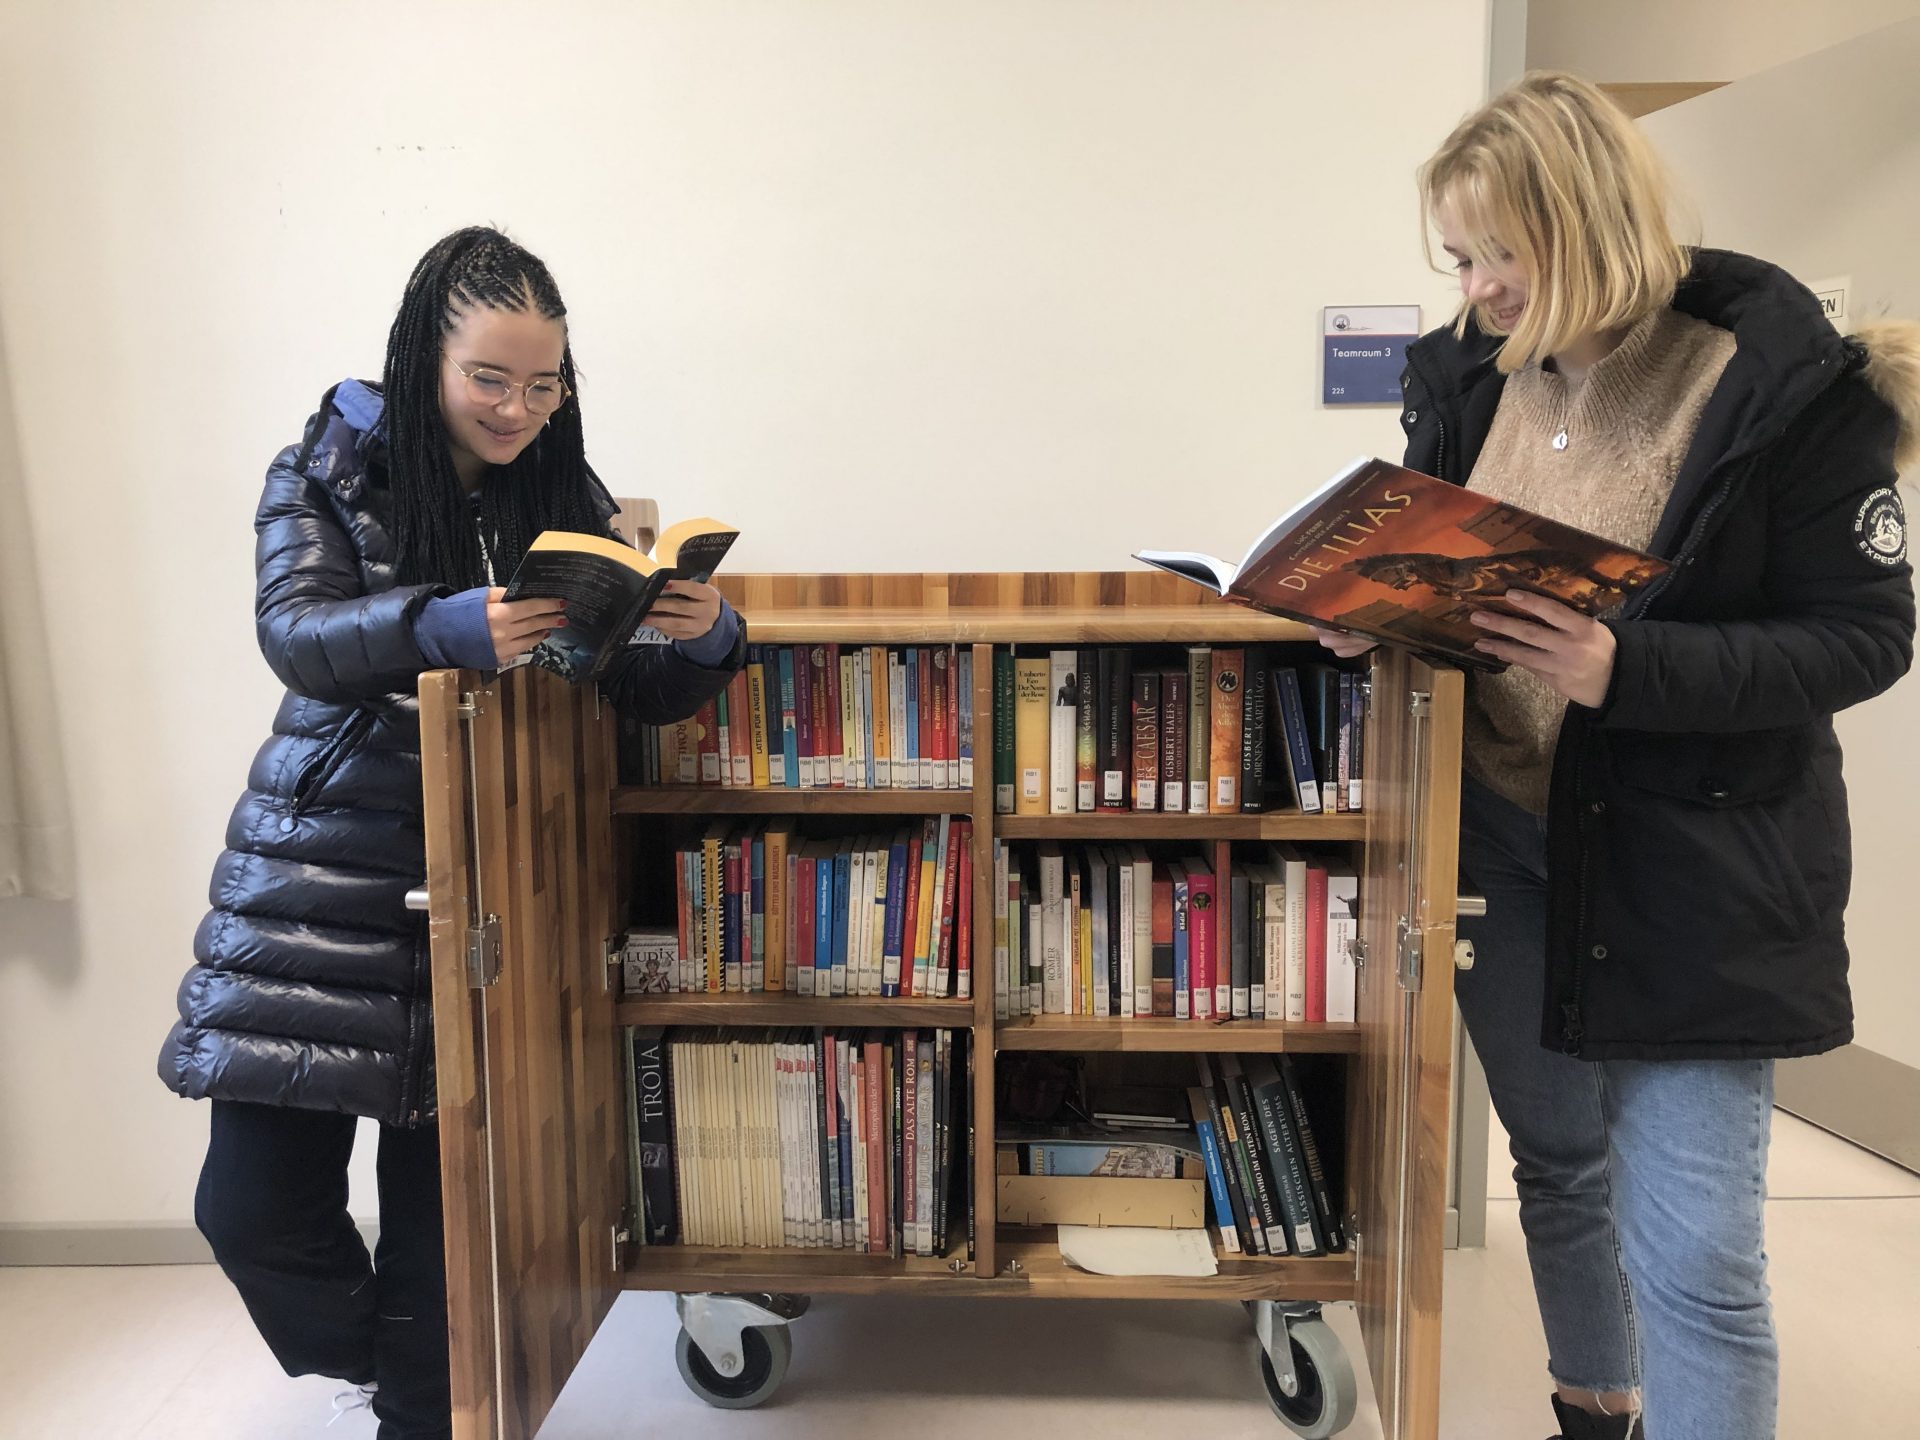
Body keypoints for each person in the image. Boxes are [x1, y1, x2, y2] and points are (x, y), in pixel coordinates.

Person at [1317, 73, 1916, 1440]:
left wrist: (1623, 670)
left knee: (1700, 1254)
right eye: (1458, 258)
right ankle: (1596, 1412)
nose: (1476, 288)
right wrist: (1378, 625)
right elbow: (1462, 584)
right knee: (1559, 1164)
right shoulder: (1471, 375)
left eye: (1499, 252)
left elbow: (1866, 639)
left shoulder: (1786, 388)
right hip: (1505, 842)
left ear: (1586, 224)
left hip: (1698, 862)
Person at [158, 226, 746, 1440]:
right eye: (491, 377)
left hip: (485, 891)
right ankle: (372, 1363)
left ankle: (423, 1411)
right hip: (318, 875)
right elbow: (297, 633)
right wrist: (442, 625)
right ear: (427, 354)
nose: (518, 407)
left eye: (544, 384)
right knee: (253, 1211)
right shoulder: (322, 470)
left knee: (443, 1235)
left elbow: (620, 690)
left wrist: (703, 639)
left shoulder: (563, 497)